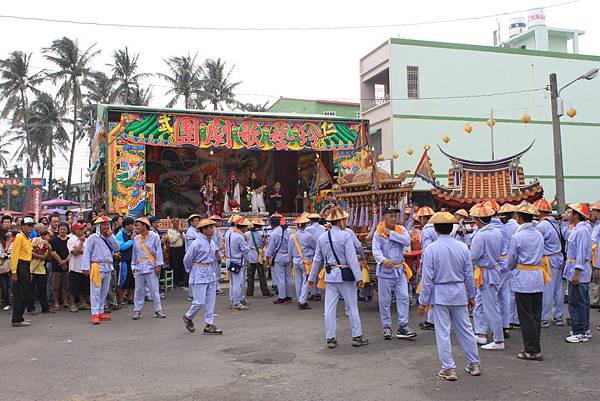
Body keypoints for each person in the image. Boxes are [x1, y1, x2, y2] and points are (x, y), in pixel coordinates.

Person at [419, 212, 480, 381]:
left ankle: (448, 368)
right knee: (466, 328)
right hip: (459, 291)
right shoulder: (462, 247)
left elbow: (427, 277)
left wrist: (423, 301)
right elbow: (469, 274)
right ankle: (474, 363)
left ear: (436, 229)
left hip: (440, 293)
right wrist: (471, 295)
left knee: (443, 332)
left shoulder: (431, 249)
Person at [308, 207, 368, 348]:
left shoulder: (322, 238)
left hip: (330, 276)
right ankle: (357, 336)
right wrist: (359, 278)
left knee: (329, 309)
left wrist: (311, 277)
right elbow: (352, 258)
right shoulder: (345, 235)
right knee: (352, 307)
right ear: (341, 220)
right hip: (345, 275)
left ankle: (330, 338)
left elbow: (317, 260)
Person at [507, 203, 546, 360]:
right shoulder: (538, 235)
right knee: (536, 314)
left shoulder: (517, 237)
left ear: (519, 217)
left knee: (526, 316)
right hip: (537, 275)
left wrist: (513, 267)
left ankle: (531, 349)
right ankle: (535, 346)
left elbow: (511, 260)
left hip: (523, 276)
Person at [372, 205, 416, 340]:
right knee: (385, 301)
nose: (393, 218)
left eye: (395, 216)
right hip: (385, 271)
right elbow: (376, 250)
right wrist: (382, 259)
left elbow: (407, 241)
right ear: (384, 217)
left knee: (403, 297)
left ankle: (403, 326)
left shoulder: (401, 229)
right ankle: (386, 326)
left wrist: (391, 233)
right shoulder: (378, 232)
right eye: (390, 216)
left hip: (399, 270)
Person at [469, 203, 504, 350]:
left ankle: (498, 340)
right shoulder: (497, 232)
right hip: (492, 270)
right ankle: (481, 333)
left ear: (479, 220)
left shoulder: (480, 235)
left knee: (491, 307)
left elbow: (474, 255)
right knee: (481, 304)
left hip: (485, 271)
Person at [183, 218, 223, 335]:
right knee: (199, 301)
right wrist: (191, 270)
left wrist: (219, 257)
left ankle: (209, 324)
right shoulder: (196, 243)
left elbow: (216, 251)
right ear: (203, 230)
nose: (213, 230)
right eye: (210, 228)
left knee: (211, 300)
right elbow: (187, 259)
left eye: (213, 227)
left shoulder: (211, 241)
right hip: (199, 271)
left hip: (210, 271)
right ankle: (188, 316)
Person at [81, 216, 120, 325]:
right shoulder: (93, 238)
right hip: (96, 267)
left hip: (108, 267)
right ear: (98, 226)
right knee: (95, 291)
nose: (106, 226)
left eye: (107, 224)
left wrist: (111, 236)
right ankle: (94, 314)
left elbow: (117, 248)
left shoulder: (110, 237)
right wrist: (85, 267)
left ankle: (101, 311)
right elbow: (87, 252)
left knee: (104, 291)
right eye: (104, 224)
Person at [563, 203, 593, 343]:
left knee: (576, 302)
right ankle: (584, 329)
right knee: (582, 301)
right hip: (577, 268)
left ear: (576, 215)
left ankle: (579, 331)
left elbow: (581, 252)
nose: (567, 214)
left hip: (577, 269)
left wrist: (576, 272)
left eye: (570, 212)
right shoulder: (581, 229)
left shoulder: (581, 231)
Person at [533, 198, 565, 327]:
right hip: (558, 257)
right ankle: (558, 316)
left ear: (540, 212)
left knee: (547, 289)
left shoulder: (542, 225)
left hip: (548, 260)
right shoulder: (554, 223)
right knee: (558, 289)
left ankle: (544, 318)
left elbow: (536, 242)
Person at [483, 200, 512, 339]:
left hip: (493, 267)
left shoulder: (486, 230)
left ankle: (495, 331)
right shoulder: (504, 228)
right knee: (504, 296)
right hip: (506, 266)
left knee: (491, 300)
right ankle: (505, 326)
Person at [131, 217, 166, 320]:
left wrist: (158, 265)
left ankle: (158, 310)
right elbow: (134, 254)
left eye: (137, 225)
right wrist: (133, 266)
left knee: (154, 289)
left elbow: (159, 251)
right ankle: (137, 310)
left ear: (144, 226)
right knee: (138, 290)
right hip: (139, 266)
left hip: (151, 265)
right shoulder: (136, 239)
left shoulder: (154, 237)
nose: (136, 227)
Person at [10, 216, 35, 327]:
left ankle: (19, 317)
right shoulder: (20, 237)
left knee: (24, 292)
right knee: (20, 294)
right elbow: (14, 256)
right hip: (20, 266)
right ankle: (16, 319)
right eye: (29, 225)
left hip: (25, 266)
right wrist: (14, 272)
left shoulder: (27, 238)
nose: (31, 227)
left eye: (32, 225)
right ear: (23, 226)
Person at [415, 206, 436, 330]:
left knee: (430, 290)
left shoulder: (427, 230)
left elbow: (426, 249)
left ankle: (431, 320)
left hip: (431, 262)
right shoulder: (436, 227)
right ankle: (431, 319)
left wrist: (422, 264)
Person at [265, 213, 293, 304]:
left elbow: (271, 248)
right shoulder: (288, 231)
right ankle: (288, 296)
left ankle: (282, 297)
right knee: (288, 277)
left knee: (280, 278)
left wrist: (267, 257)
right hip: (288, 255)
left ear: (272, 224)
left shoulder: (274, 233)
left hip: (279, 256)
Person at [289, 214, 315, 310]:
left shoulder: (292, 236)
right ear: (305, 225)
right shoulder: (308, 236)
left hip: (295, 260)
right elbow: (314, 247)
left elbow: (290, 249)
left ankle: (300, 298)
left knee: (298, 281)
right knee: (306, 281)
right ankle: (302, 300)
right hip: (306, 261)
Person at [227, 217, 251, 310]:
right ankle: (237, 302)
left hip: (230, 260)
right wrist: (247, 242)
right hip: (237, 261)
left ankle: (233, 300)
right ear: (243, 227)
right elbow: (246, 249)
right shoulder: (240, 237)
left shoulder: (229, 234)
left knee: (233, 282)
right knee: (238, 283)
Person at [67, 222, 90, 313]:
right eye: (79, 229)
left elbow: (87, 251)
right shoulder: (71, 240)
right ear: (75, 230)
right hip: (74, 267)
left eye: (82, 229)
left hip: (84, 266)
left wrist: (80, 248)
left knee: (83, 286)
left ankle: (82, 303)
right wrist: (81, 243)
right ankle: (72, 304)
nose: (81, 230)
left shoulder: (86, 239)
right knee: (73, 287)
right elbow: (75, 252)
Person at [245, 218, 271, 297]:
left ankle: (249, 293)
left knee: (250, 276)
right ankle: (265, 292)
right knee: (262, 276)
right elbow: (265, 244)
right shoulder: (262, 233)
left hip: (250, 256)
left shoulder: (247, 233)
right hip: (259, 256)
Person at [49, 222, 71, 312]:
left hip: (67, 265)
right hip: (56, 266)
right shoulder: (53, 240)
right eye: (61, 229)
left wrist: (65, 261)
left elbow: (71, 251)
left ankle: (65, 301)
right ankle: (56, 302)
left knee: (66, 285)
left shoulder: (70, 240)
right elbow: (53, 252)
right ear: (58, 229)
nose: (62, 230)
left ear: (67, 230)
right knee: (55, 286)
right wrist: (61, 262)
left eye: (64, 229)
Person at [29, 228, 50, 314]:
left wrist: (48, 250)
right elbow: (30, 252)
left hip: (42, 269)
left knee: (42, 289)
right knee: (31, 290)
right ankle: (31, 308)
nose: (47, 237)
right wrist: (39, 256)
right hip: (32, 269)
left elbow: (48, 256)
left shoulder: (47, 244)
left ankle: (45, 308)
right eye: (45, 235)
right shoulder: (34, 241)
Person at [305, 213, 326, 301]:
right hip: (322, 252)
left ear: (311, 220)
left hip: (312, 253)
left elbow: (308, 241)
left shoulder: (308, 229)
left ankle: (314, 293)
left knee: (312, 273)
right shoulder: (323, 228)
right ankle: (319, 292)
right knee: (319, 273)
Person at [115, 217, 135, 304]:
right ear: (127, 226)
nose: (134, 226)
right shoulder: (120, 234)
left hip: (133, 260)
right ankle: (121, 299)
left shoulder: (134, 233)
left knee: (132, 279)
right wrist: (131, 241)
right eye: (132, 224)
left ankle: (131, 297)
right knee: (123, 280)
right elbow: (121, 247)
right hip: (123, 260)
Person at [166, 217, 186, 287]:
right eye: (176, 222)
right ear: (172, 222)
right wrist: (178, 234)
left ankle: (181, 280)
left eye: (178, 222)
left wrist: (181, 233)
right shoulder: (170, 231)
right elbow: (172, 241)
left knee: (181, 264)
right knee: (175, 265)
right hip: (174, 249)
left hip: (181, 249)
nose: (177, 223)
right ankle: (175, 281)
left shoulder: (180, 230)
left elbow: (184, 239)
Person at [209, 215, 225, 294]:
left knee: (217, 271)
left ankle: (216, 286)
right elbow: (214, 244)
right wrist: (218, 253)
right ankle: (215, 287)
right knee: (215, 271)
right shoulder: (213, 231)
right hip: (215, 253)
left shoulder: (216, 230)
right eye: (217, 221)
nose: (219, 222)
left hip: (217, 252)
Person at [1, 232, 12, 311]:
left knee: (11, 285)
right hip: (3, 267)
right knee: (5, 286)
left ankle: (11, 302)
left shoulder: (14, 243)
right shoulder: (2, 244)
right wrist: (6, 255)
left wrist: (6, 255)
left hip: (11, 266)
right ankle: (7, 303)